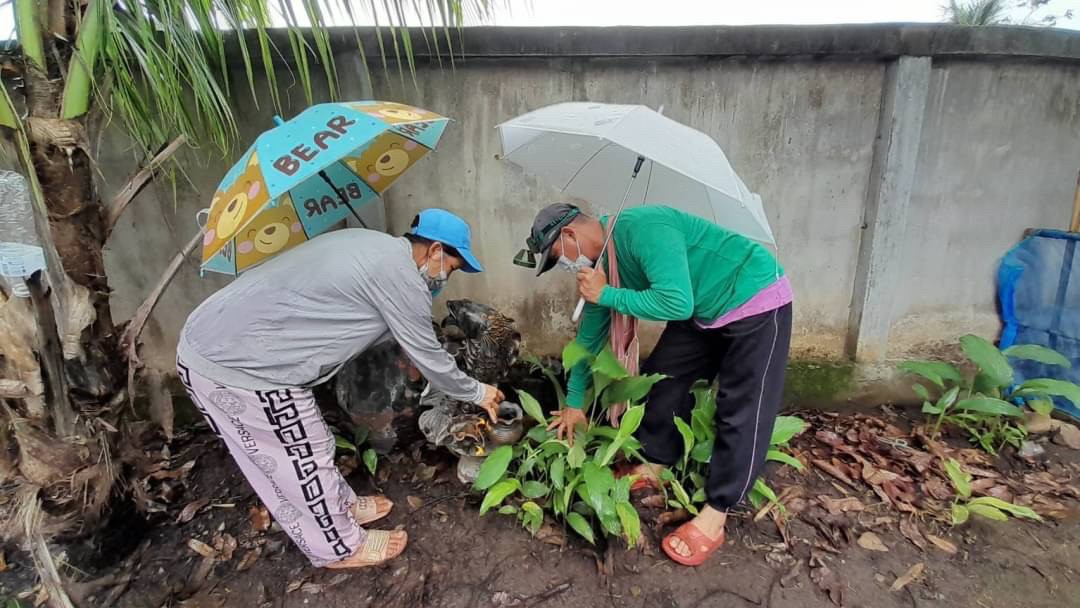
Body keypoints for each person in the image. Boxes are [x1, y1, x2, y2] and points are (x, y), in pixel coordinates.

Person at [177, 209, 504, 569]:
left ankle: (340, 506)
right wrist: (478, 393)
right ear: (435, 251)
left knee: (313, 442)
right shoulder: (398, 276)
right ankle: (339, 547)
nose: (447, 277)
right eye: (453, 267)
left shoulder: (374, 246)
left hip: (233, 344)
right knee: (298, 459)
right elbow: (427, 354)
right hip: (240, 366)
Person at [523, 203, 792, 567]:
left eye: (560, 258)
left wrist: (608, 295)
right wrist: (574, 403)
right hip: (703, 307)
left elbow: (676, 301)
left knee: (742, 407)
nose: (568, 267)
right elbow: (588, 339)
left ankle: (716, 513)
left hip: (752, 295)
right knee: (665, 377)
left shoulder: (644, 228)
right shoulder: (603, 268)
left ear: (569, 235)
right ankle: (657, 463)